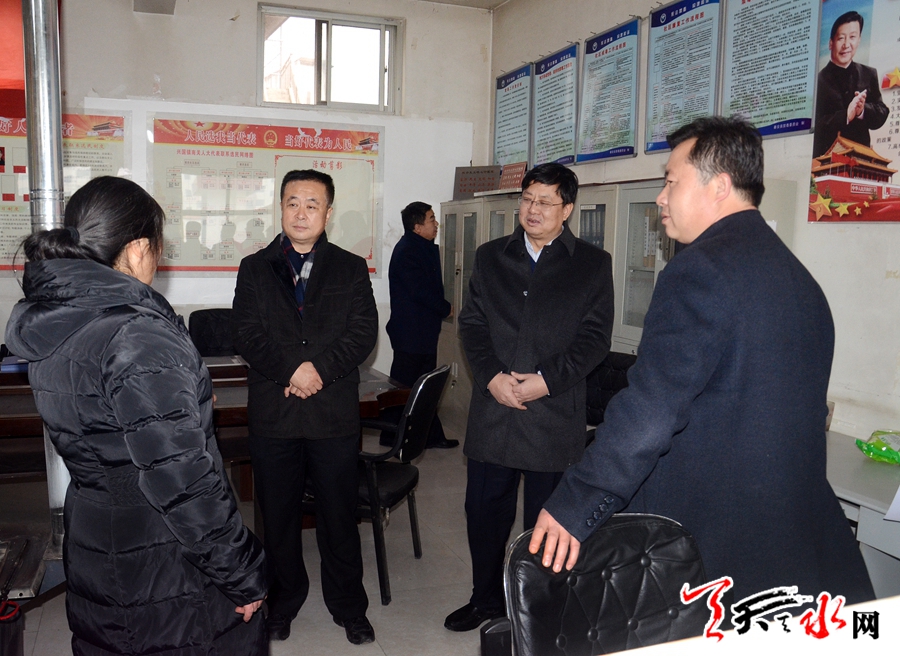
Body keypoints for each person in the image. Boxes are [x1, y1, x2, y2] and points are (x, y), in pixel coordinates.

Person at [531, 117, 875, 610]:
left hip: (712, 540)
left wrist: (577, 501)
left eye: (672, 181)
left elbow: (651, 411)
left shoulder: (699, 270)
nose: (661, 197)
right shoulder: (800, 279)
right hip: (789, 535)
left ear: (719, 186)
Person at [5, 176, 267, 655]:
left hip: (98, 532)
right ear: (140, 247)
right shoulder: (136, 335)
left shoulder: (56, 319)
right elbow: (182, 480)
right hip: (162, 557)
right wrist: (239, 571)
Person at [445, 162, 615, 632]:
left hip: (552, 413)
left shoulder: (591, 264)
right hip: (495, 411)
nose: (533, 209)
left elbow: (594, 339)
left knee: (547, 523)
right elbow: (472, 325)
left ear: (567, 209)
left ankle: (536, 611)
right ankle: (484, 600)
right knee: (483, 513)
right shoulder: (491, 257)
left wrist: (546, 381)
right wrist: (491, 377)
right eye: (527, 199)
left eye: (545, 201)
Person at [231, 169, 378, 645]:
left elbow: (363, 332)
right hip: (275, 415)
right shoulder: (254, 267)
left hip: (332, 414)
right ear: (280, 208)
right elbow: (246, 333)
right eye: (292, 202)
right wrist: (291, 372)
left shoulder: (350, 267)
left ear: (328, 213)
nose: (301, 213)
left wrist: (318, 371)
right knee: (277, 519)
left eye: (312, 204)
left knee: (339, 517)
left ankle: (349, 607)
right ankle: (282, 602)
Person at [384, 201, 457, 449]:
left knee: (421, 384)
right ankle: (394, 434)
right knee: (407, 386)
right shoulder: (408, 251)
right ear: (417, 227)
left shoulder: (419, 247)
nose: (436, 224)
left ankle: (422, 435)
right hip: (411, 333)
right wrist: (445, 308)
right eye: (431, 219)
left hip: (420, 332)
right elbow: (419, 291)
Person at [813, 10, 889, 158]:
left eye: (852, 37)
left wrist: (862, 110)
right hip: (827, 159)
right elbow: (815, 127)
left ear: (859, 40)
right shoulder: (818, 81)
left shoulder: (869, 73)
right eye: (841, 38)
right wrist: (846, 115)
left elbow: (882, 111)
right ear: (831, 43)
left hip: (862, 158)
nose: (846, 44)